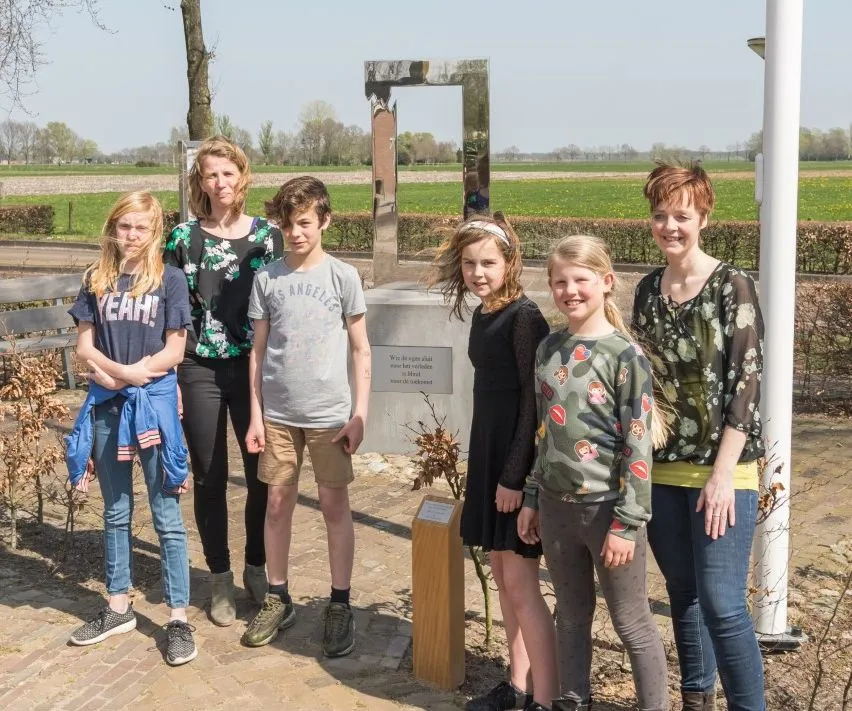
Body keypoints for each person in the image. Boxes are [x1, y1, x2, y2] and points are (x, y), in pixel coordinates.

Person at [632, 163, 766, 711]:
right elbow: (641, 382)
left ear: (704, 218)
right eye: (661, 215)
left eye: (682, 215)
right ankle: (696, 700)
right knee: (683, 597)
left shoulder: (732, 285)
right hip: (662, 470)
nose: (670, 226)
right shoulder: (646, 290)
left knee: (723, 602)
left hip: (723, 471)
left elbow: (746, 382)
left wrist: (720, 477)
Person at [519, 234, 669, 711]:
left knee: (631, 622)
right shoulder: (549, 349)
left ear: (605, 283)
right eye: (559, 282)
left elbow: (638, 446)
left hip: (609, 513)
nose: (570, 291)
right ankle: (572, 700)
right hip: (558, 511)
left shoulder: (625, 357)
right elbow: (544, 434)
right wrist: (531, 496)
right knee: (571, 616)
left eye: (580, 280)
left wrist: (627, 524)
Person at [430, 214, 558, 711]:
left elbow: (534, 403)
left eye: (488, 262)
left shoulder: (525, 317)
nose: (478, 272)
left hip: (513, 461)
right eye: (469, 263)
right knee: (504, 581)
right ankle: (518, 684)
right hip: (488, 455)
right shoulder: (485, 312)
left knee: (523, 585)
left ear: (510, 262)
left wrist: (514, 477)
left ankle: (546, 699)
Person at [240, 176, 371, 657]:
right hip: (277, 414)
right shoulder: (267, 278)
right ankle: (277, 596)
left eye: (304, 223)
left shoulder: (343, 277)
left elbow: (361, 349)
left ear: (324, 222)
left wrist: (359, 414)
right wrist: (256, 414)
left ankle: (340, 602)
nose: (295, 233)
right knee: (277, 503)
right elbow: (257, 353)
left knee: (335, 507)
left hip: (330, 416)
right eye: (287, 224)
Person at [65, 191, 197, 666]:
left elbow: (175, 351)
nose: (133, 236)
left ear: (155, 230)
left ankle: (179, 617)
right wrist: (121, 374)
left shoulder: (171, 281)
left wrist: (135, 372)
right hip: (107, 405)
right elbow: (84, 346)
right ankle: (117, 605)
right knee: (116, 510)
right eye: (125, 226)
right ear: (113, 228)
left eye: (142, 227)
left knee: (166, 515)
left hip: (153, 406)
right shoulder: (95, 280)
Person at [164, 136, 283, 626]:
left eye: (228, 173)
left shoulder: (268, 238)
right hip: (199, 367)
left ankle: (256, 565)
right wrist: (170, 375)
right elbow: (170, 312)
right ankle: (219, 577)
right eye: (211, 174)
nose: (221, 182)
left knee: (261, 472)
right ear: (201, 181)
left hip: (254, 368)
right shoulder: (182, 238)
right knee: (211, 476)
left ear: (243, 177)